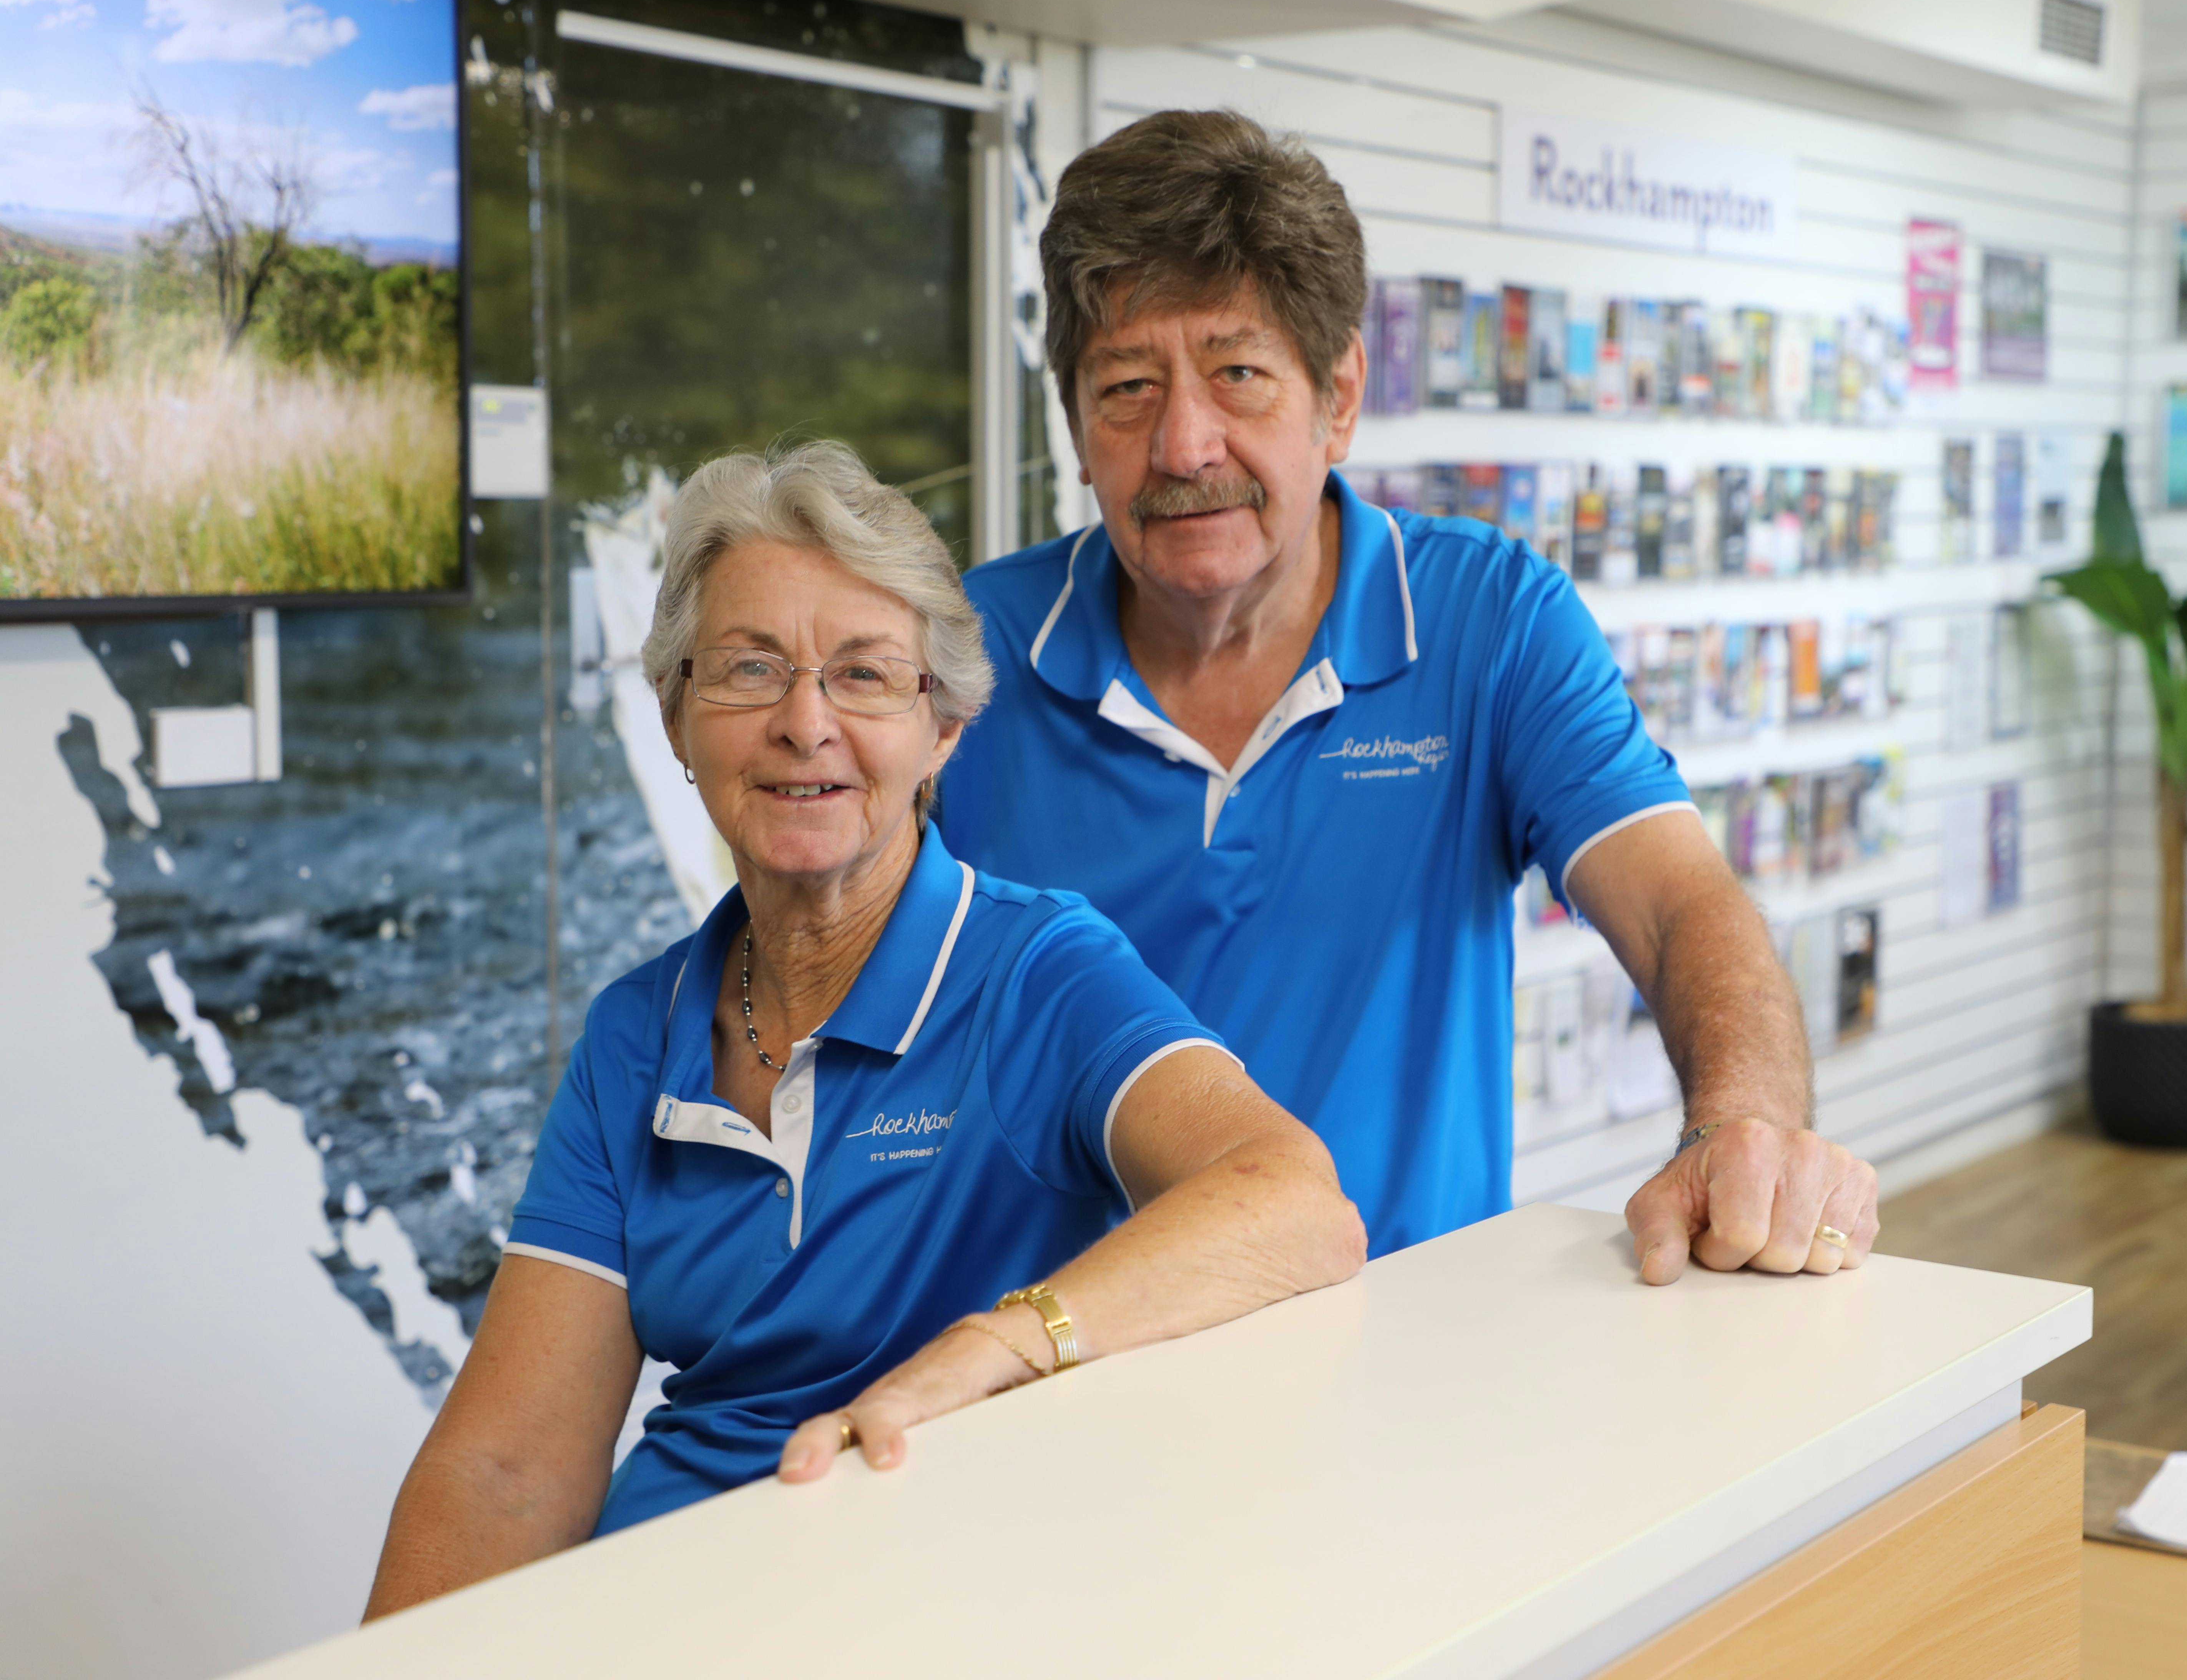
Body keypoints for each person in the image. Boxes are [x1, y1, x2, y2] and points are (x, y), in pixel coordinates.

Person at [364, 442, 1364, 1617]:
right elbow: (505, 1471)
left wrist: (997, 1349)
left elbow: (1296, 1205)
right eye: (748, 670)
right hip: (672, 1606)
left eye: (865, 675)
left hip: (947, 1607)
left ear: (942, 729)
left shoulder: (1035, 971)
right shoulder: (637, 1034)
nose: (805, 723)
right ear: (680, 721)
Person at [940, 110, 1879, 1280]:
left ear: (1339, 398)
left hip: (1400, 1349)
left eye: (1238, 375)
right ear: (1076, 428)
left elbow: (1680, 904)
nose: (1185, 445)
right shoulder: (955, 656)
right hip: (1055, 1358)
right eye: (1127, 387)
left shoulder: (1489, 622)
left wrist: (1743, 1123)